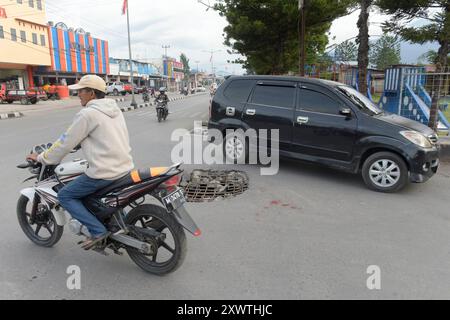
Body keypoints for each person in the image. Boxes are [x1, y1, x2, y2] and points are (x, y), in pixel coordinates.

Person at [26, 75, 135, 250]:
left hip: (104, 171)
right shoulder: (113, 109)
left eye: (80, 91)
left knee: (65, 195)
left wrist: (41, 157)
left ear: (91, 93)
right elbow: (102, 135)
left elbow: (64, 143)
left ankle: (98, 231)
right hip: (124, 166)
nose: (78, 95)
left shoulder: (87, 114)